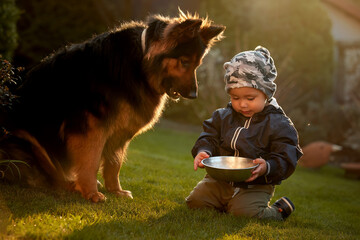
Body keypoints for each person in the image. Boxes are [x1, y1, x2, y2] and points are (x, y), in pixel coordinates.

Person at [185, 46, 303, 220]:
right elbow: (209, 136)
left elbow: (287, 156)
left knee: (245, 213)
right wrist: (204, 151)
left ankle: (279, 210)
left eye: (250, 98)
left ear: (266, 93)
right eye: (235, 98)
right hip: (219, 180)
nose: (242, 105)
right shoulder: (223, 116)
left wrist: (267, 166)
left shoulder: (279, 124)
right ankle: (227, 202)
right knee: (194, 202)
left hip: (255, 185)